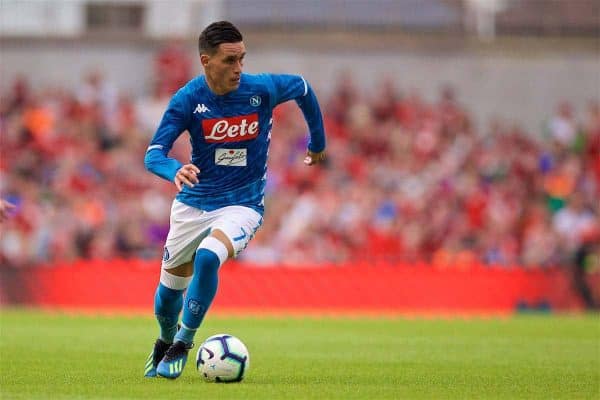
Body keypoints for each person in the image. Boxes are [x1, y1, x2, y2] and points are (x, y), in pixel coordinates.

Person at [143, 21, 326, 379]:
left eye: (242, 59)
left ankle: (183, 341)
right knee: (167, 297)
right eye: (230, 61)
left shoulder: (260, 89)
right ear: (206, 61)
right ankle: (165, 340)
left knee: (210, 256)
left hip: (243, 204)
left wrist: (317, 143)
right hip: (193, 204)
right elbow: (153, 154)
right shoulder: (187, 99)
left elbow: (303, 88)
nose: (239, 68)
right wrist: (173, 170)